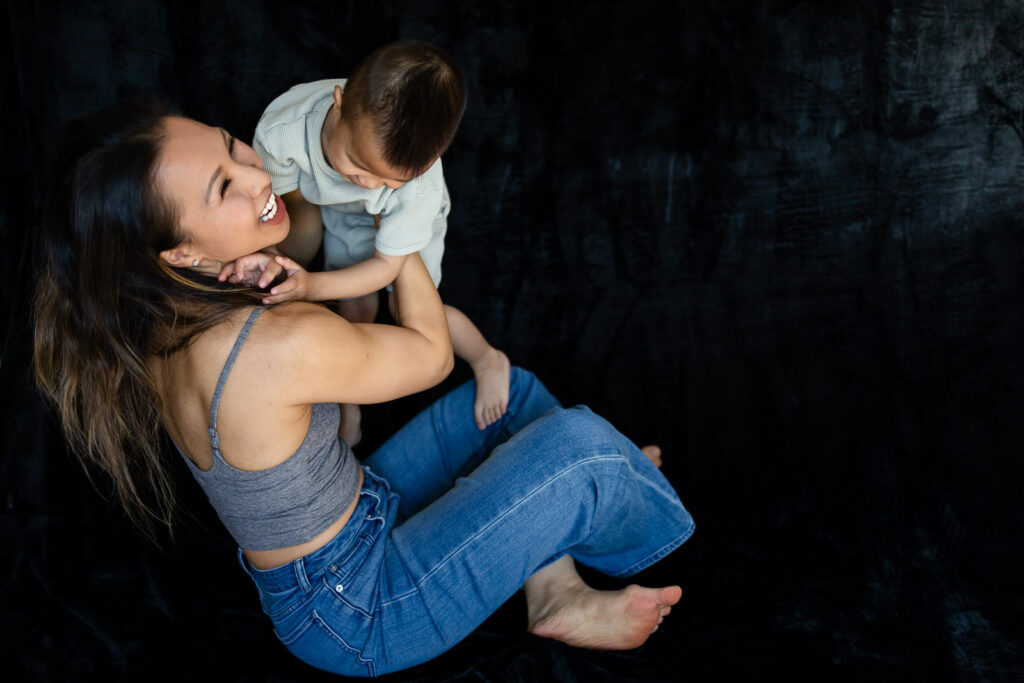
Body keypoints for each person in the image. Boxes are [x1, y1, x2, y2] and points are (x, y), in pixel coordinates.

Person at [32, 99, 695, 677]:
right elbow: (432, 356)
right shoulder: (270, 345)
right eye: (224, 185)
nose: (258, 174)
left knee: (510, 397)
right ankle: (613, 495)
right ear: (180, 253)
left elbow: (304, 224)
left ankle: (555, 587)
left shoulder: (166, 316)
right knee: (585, 451)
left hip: (358, 517)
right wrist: (399, 208)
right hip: (359, 611)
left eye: (233, 145)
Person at [246, 40, 509, 445]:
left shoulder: (417, 188)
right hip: (342, 216)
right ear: (339, 103)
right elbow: (283, 205)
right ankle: (349, 399)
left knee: (411, 311)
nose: (371, 187)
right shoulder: (284, 131)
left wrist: (313, 286)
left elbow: (386, 264)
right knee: (354, 308)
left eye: (389, 181)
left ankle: (488, 358)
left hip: (406, 226)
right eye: (357, 166)